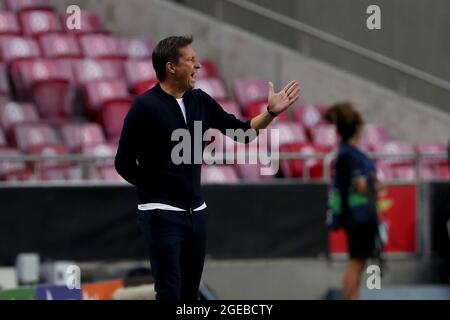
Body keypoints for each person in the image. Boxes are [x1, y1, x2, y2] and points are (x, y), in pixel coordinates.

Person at [114, 35, 300, 301]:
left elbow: (243, 134)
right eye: (191, 60)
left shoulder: (200, 100)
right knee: (169, 293)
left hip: (196, 214)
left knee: (190, 295)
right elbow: (122, 162)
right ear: (171, 67)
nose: (198, 66)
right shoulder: (144, 107)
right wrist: (155, 191)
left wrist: (270, 112)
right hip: (162, 214)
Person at [325, 102, 383, 300]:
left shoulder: (351, 153)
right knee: (356, 263)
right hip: (357, 216)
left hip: (362, 215)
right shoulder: (348, 155)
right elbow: (360, 185)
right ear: (357, 128)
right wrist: (374, 184)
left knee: (359, 263)